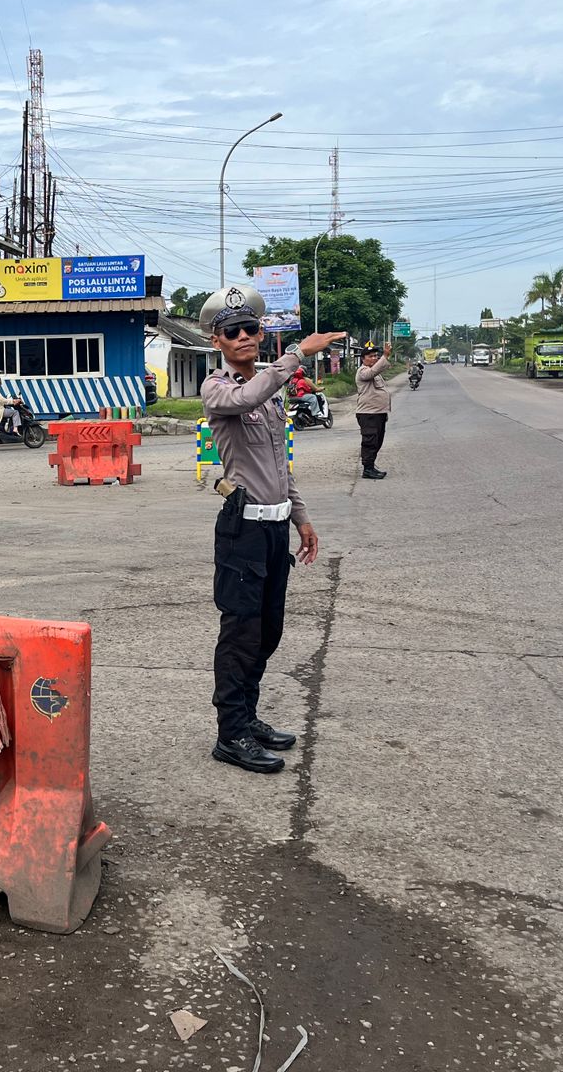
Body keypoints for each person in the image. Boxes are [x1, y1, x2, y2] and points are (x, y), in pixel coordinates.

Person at [199, 286, 337, 775]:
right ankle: (230, 734)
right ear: (216, 340)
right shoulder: (218, 389)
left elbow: (281, 467)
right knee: (240, 634)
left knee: (267, 632)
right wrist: (297, 353)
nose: (243, 336)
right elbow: (250, 394)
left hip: (276, 530)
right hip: (244, 533)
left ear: (260, 333)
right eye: (232, 331)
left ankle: (248, 717)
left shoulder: (269, 392)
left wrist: (302, 519)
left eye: (250, 328)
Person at [355, 342, 391, 479]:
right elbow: (372, 372)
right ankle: (367, 469)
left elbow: (380, 369)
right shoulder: (363, 371)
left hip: (378, 412)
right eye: (370, 356)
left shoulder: (375, 373)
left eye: (376, 356)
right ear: (363, 359)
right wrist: (385, 356)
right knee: (370, 441)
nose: (374, 358)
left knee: (377, 441)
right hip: (368, 413)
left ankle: (371, 465)